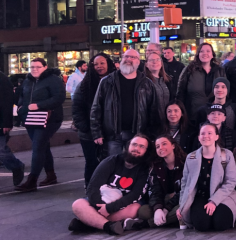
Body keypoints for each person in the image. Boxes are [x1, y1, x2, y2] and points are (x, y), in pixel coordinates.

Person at [69, 134, 151, 235]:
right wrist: (100, 207)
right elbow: (93, 186)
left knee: (135, 210)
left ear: (146, 151)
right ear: (128, 145)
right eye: (134, 144)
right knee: (78, 205)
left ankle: (87, 222)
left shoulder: (144, 169)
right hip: (102, 200)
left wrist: (109, 208)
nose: (136, 149)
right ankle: (108, 226)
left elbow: (135, 195)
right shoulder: (111, 161)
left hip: (124, 204)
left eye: (142, 146)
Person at [89, 49, 158, 159]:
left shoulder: (147, 83)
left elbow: (153, 111)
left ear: (138, 62)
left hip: (138, 134)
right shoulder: (107, 81)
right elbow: (96, 108)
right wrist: (97, 133)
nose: (128, 59)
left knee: (136, 165)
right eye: (126, 56)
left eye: (132, 57)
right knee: (113, 164)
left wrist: (151, 134)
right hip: (113, 136)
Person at [13, 58, 66, 192]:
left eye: (38, 67)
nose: (35, 69)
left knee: (38, 146)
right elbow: (22, 95)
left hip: (49, 118)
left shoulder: (53, 80)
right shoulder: (28, 80)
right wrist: (21, 108)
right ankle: (51, 175)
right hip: (30, 119)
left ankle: (32, 180)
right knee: (42, 146)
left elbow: (59, 98)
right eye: (32, 67)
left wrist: (39, 105)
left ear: (45, 67)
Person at [177, 123, 236, 231]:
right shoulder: (191, 157)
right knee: (201, 225)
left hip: (223, 196)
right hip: (200, 196)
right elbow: (185, 183)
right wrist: (182, 205)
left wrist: (213, 201)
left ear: (216, 136)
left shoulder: (227, 155)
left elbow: (230, 182)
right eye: (202, 133)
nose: (206, 136)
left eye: (210, 133)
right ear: (199, 137)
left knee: (220, 223)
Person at [72, 54, 116, 187]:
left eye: (102, 63)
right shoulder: (84, 85)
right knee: (92, 162)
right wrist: (84, 127)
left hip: (111, 131)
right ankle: (90, 188)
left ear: (108, 64)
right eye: (96, 64)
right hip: (88, 133)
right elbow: (77, 108)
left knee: (110, 162)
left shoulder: (116, 82)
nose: (99, 66)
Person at [137, 134, 185, 228]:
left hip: (180, 200)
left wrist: (167, 208)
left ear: (173, 145)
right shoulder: (155, 166)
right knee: (143, 212)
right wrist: (158, 208)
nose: (161, 148)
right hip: (164, 199)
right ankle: (167, 220)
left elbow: (185, 190)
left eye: (164, 144)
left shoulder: (185, 162)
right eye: (157, 146)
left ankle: (146, 224)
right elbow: (155, 190)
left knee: (183, 209)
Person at [176, 43, 226, 122]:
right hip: (192, 115)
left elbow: (225, 92)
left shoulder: (219, 70)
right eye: (201, 51)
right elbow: (180, 93)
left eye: (208, 51)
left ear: (212, 55)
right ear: (198, 54)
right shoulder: (189, 70)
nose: (205, 53)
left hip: (214, 116)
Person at [0, 70, 24, 186]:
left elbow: (7, 102)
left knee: (2, 151)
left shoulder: (2, 79)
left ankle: (16, 166)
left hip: (1, 121)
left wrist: (6, 123)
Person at [144, 52, 172, 129]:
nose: (155, 62)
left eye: (157, 59)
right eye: (151, 60)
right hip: (151, 124)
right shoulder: (143, 81)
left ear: (161, 63)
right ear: (146, 64)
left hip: (166, 122)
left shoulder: (167, 80)